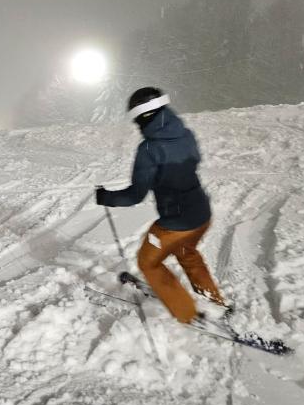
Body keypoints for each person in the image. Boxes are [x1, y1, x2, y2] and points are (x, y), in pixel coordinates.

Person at [95, 87, 228, 324]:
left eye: (137, 119)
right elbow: (194, 159)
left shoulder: (149, 149)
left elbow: (135, 195)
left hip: (175, 222)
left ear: (144, 116)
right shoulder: (185, 133)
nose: (136, 124)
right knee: (187, 252)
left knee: (148, 261)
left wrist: (107, 197)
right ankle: (213, 301)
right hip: (202, 214)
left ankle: (189, 314)